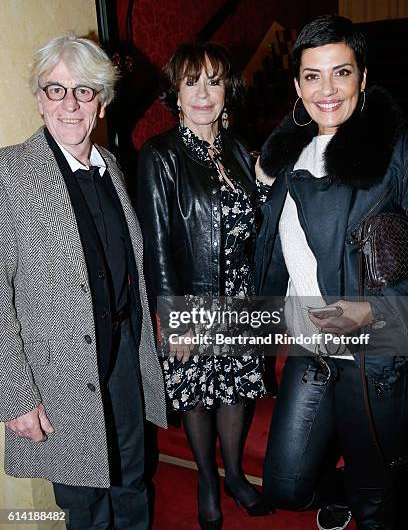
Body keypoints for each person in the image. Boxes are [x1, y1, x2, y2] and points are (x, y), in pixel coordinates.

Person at [0, 33, 166, 530]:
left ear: (101, 103)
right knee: (86, 505)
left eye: (84, 90)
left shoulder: (112, 165)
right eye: (56, 90)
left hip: (122, 358)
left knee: (133, 478)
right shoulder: (10, 173)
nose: (70, 104)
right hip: (58, 375)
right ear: (39, 98)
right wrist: (15, 397)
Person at [255, 14, 408, 530]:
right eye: (313, 75)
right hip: (312, 346)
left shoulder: (395, 152)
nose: (327, 90)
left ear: (363, 78)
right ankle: (343, 479)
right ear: (297, 84)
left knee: (376, 507)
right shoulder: (285, 158)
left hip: (374, 354)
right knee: (285, 485)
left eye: (341, 73)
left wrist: (371, 311)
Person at [137, 42, 272, 529]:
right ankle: (207, 480)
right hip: (193, 298)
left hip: (242, 297)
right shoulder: (161, 155)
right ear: (175, 92)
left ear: (226, 90)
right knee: (198, 395)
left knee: (236, 391)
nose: (202, 93)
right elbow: (155, 244)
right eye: (191, 82)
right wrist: (174, 317)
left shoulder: (238, 150)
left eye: (213, 81)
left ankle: (235, 474)